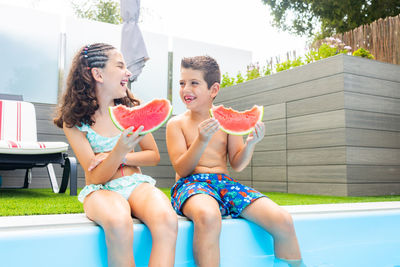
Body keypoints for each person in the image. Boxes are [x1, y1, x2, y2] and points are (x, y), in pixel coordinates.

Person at [166, 55, 303, 267]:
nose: (186, 89)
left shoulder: (227, 121)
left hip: (225, 184)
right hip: (190, 185)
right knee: (208, 216)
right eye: (182, 83)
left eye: (194, 83)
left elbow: (237, 163)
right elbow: (181, 169)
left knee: (283, 220)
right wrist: (201, 140)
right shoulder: (176, 124)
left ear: (213, 90)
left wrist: (250, 143)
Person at [54, 43, 177, 267]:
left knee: (167, 220)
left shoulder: (132, 111)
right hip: (100, 190)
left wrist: (121, 157)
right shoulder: (73, 122)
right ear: (98, 74)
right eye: (120, 66)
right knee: (119, 222)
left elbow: (153, 155)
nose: (128, 73)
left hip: (136, 183)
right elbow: (96, 177)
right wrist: (120, 148)